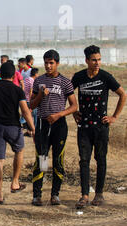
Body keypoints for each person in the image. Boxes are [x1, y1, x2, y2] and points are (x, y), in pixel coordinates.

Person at [72, 45, 127, 209]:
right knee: (84, 160)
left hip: (101, 127)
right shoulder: (79, 77)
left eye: (99, 59)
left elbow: (123, 94)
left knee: (101, 159)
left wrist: (114, 117)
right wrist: (74, 110)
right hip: (84, 127)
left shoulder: (105, 76)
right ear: (87, 60)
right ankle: (84, 195)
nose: (97, 63)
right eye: (94, 60)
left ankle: (99, 194)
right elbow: (67, 93)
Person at [0, 62, 35, 205]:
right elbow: (24, 111)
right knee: (19, 150)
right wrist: (33, 128)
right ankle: (15, 182)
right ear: (13, 75)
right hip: (13, 126)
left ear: (0, 74)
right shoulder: (17, 90)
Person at [30, 50, 78, 206]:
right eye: (46, 63)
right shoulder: (39, 81)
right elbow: (31, 104)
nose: (48, 66)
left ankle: (55, 194)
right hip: (43, 125)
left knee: (58, 160)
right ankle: (37, 195)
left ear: (57, 63)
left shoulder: (65, 82)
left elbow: (74, 106)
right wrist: (40, 96)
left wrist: (59, 115)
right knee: (42, 159)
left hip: (59, 126)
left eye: (51, 63)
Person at [22, 68, 39, 136]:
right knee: (35, 116)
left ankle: (29, 131)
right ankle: (34, 131)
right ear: (35, 74)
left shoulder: (27, 79)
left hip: (25, 100)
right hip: (29, 100)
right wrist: (32, 100)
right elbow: (31, 91)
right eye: (38, 73)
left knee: (27, 115)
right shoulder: (32, 81)